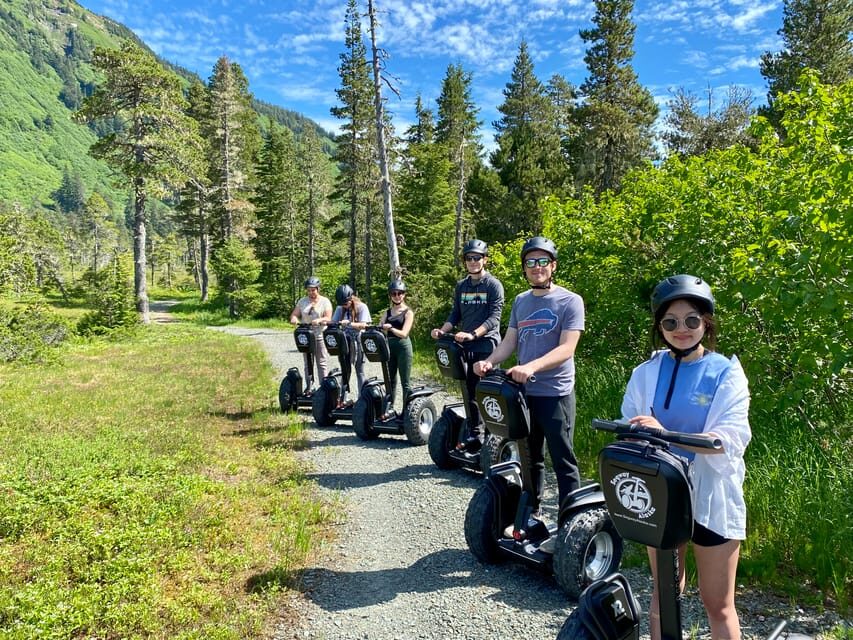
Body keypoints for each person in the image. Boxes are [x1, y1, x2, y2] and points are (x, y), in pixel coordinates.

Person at [620, 274, 751, 640]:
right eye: (671, 322)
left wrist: (662, 432)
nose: (682, 329)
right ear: (659, 326)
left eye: (692, 320)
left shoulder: (726, 372)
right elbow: (628, 420)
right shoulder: (646, 372)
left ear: (706, 323)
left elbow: (729, 438)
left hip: (710, 497)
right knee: (664, 591)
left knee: (718, 603)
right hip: (661, 492)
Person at [473, 237, 582, 512]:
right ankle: (530, 515)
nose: (537, 267)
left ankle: (571, 520)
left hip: (555, 393)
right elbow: (510, 342)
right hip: (523, 393)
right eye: (531, 262)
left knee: (563, 460)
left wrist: (532, 366)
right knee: (530, 457)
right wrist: (490, 361)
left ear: (553, 266)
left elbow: (567, 348)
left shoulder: (570, 301)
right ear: (524, 268)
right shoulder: (521, 301)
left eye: (543, 261)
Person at [431, 239, 504, 452]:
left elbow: (494, 318)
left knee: (487, 391)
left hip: (486, 345)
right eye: (469, 258)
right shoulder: (462, 286)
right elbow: (456, 313)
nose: (472, 261)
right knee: (470, 391)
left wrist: (473, 334)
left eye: (477, 258)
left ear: (485, 260)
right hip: (466, 345)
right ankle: (475, 433)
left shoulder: (493, 285)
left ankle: (493, 438)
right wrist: (443, 330)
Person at [288, 276, 333, 388]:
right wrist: (294, 319)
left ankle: (324, 389)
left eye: (313, 290)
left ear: (318, 289)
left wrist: (320, 320)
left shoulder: (325, 301)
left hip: (319, 335)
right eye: (308, 290)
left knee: (321, 363)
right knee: (308, 363)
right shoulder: (302, 301)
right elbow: (294, 314)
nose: (311, 292)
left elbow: (328, 318)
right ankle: (309, 387)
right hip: (306, 336)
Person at [329, 283, 372, 394]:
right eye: (342, 304)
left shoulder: (362, 307)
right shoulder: (340, 308)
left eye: (346, 303)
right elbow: (334, 322)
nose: (344, 306)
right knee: (345, 370)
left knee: (360, 371)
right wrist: (327, 323)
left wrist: (349, 323)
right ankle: (344, 397)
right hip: (345, 341)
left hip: (358, 342)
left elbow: (364, 325)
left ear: (351, 298)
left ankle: (362, 398)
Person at [379, 279, 414, 411]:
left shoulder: (408, 312)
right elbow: (380, 326)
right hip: (389, 347)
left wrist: (391, 329)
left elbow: (405, 333)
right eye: (394, 294)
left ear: (404, 294)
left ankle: (407, 411)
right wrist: (381, 328)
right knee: (390, 380)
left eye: (400, 293)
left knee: (405, 382)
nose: (397, 296)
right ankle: (389, 408)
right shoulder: (387, 312)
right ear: (390, 295)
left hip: (403, 347)